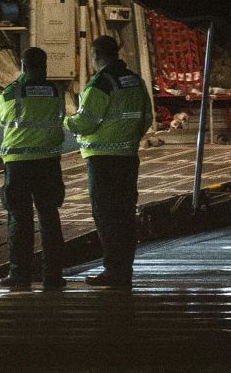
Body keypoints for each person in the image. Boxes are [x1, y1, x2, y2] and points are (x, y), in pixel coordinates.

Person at [65, 35, 152, 290]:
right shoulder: (135, 81)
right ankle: (124, 270)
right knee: (125, 215)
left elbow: (85, 121)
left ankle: (113, 271)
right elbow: (146, 117)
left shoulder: (101, 84)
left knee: (106, 217)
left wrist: (67, 121)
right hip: (128, 158)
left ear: (96, 56)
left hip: (103, 161)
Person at [0, 47, 67, 291]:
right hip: (48, 162)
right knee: (49, 218)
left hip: (18, 163)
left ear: (23, 66)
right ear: (45, 65)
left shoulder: (12, 92)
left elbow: (2, 117)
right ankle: (53, 276)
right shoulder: (57, 92)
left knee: (19, 218)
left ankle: (20, 275)